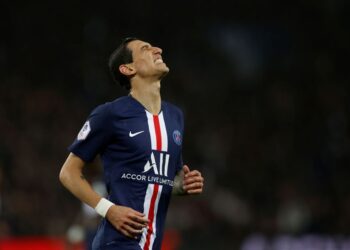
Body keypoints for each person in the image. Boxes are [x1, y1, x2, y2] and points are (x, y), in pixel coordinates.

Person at [59, 37, 204, 250]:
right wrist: (108, 209)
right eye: (146, 48)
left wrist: (182, 185)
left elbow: (162, 178)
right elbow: (68, 173)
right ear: (127, 68)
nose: (158, 49)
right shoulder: (110, 114)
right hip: (116, 242)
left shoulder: (175, 116)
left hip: (152, 243)